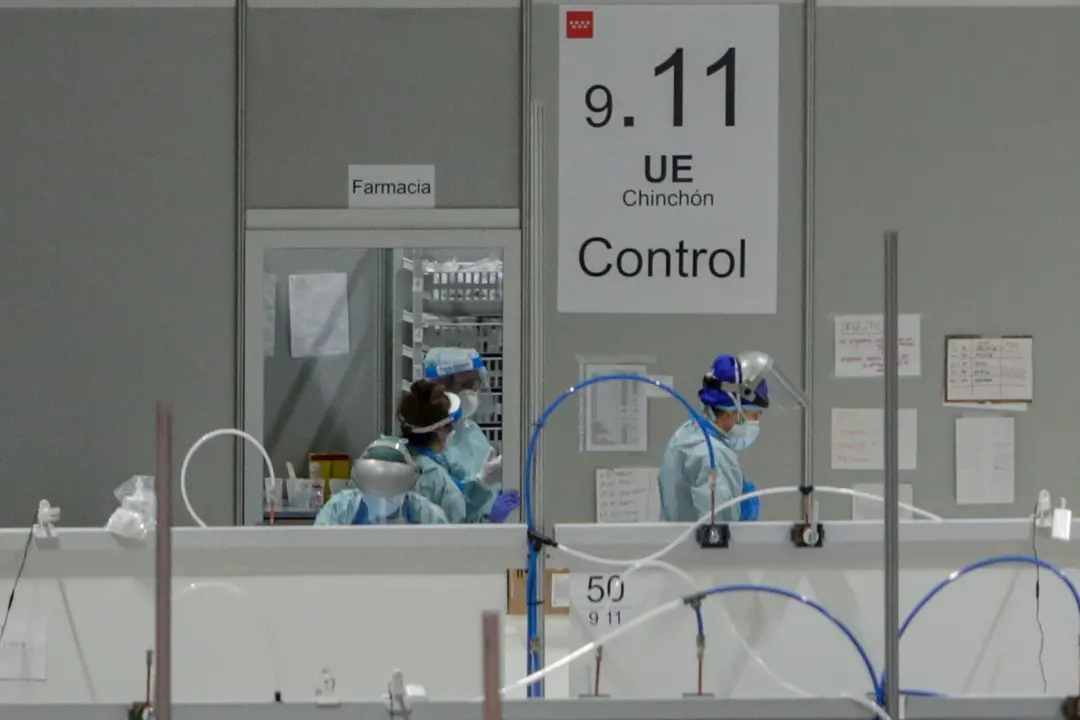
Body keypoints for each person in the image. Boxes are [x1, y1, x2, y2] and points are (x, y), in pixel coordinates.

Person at [657, 354, 766, 523]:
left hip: (678, 538)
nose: (757, 420)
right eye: (755, 413)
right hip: (693, 541)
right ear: (733, 411)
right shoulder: (713, 455)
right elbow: (718, 529)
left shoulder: (688, 433)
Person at [423, 347, 509, 522]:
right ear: (441, 387)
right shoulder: (429, 441)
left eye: (475, 384)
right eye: (465, 385)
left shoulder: (472, 431)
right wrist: (482, 484)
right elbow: (445, 507)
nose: (472, 392)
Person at [314, 438, 449, 525]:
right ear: (362, 485)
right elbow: (318, 550)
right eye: (374, 493)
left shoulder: (427, 515)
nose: (382, 501)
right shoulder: (340, 509)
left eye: (391, 493)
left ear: (406, 487)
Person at [396, 379, 470, 523]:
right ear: (439, 431)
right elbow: (457, 526)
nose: (452, 431)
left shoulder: (397, 455)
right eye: (449, 426)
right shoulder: (432, 476)